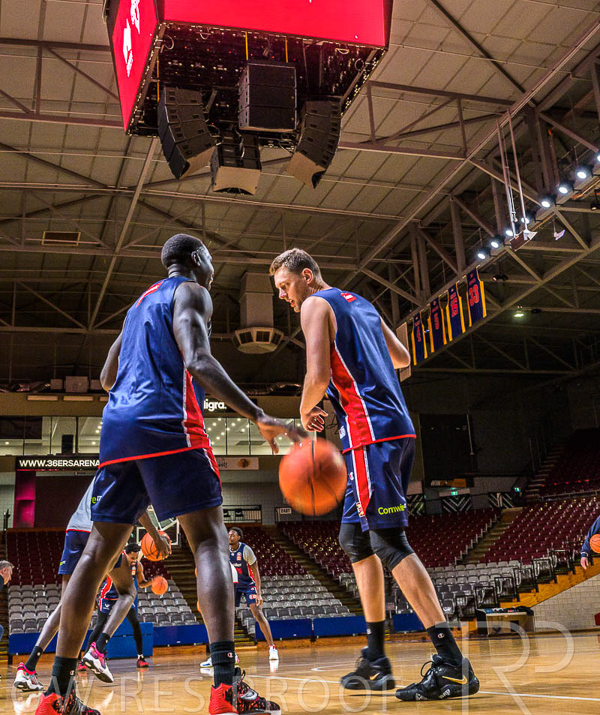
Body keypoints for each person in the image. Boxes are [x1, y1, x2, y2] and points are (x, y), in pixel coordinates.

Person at [35, 234, 304, 715]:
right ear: (196, 260)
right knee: (209, 542)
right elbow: (198, 360)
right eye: (211, 260)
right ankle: (226, 687)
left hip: (118, 433)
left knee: (95, 554)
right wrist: (259, 414)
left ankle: (57, 693)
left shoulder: (137, 307)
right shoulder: (191, 291)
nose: (214, 269)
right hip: (169, 424)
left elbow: (107, 377)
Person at [270, 249, 480, 702]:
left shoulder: (315, 304)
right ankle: (376, 659)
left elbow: (317, 374)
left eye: (285, 286)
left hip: (371, 434)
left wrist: (304, 411)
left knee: (386, 541)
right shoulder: (360, 303)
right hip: (393, 428)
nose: (284, 296)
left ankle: (452, 665)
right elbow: (401, 357)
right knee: (354, 538)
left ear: (307, 275)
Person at [15, 482, 169, 692]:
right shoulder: (135, 468)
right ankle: (98, 649)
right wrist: (156, 537)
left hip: (74, 528)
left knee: (66, 605)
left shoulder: (107, 466)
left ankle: (28, 668)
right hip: (100, 532)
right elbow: (139, 507)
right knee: (128, 592)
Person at [201, 527, 278, 667]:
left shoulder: (246, 550)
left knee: (257, 612)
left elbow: (256, 571)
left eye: (233, 534)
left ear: (239, 538)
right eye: (228, 534)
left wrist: (259, 593)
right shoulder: (224, 549)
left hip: (248, 584)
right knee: (226, 617)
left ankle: (272, 648)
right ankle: (227, 653)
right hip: (232, 584)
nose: (229, 536)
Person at [81, 541, 152, 681]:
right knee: (100, 625)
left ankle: (140, 657)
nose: (134, 560)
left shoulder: (137, 565)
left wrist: (153, 582)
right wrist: (93, 599)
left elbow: (141, 583)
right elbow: (98, 580)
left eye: (136, 557)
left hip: (124, 596)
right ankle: (85, 659)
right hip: (108, 596)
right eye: (132, 557)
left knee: (136, 624)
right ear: (125, 554)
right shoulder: (116, 562)